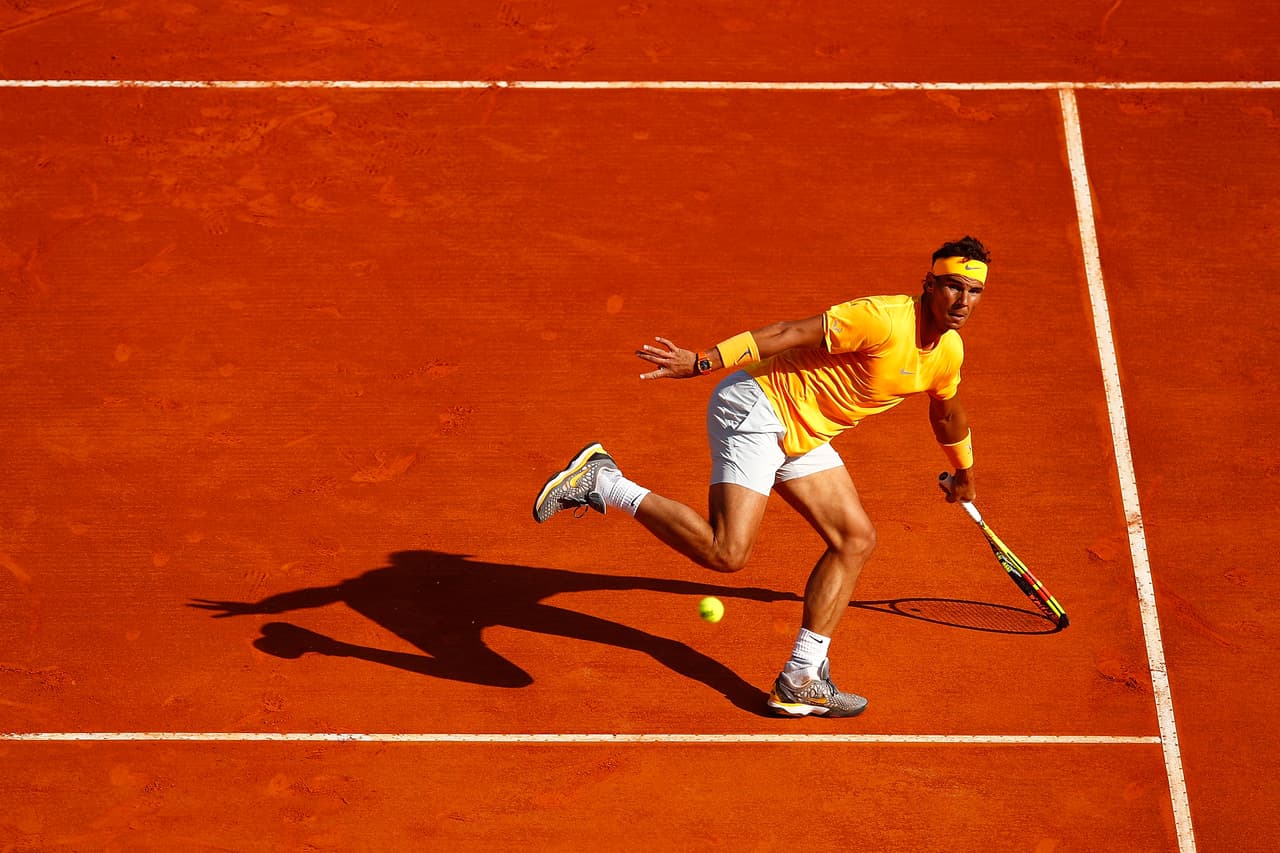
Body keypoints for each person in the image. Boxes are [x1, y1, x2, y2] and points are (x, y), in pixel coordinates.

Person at [533, 236, 989, 717]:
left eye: (973, 292)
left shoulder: (948, 352)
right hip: (758, 407)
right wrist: (702, 361)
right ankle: (604, 481)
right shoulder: (882, 318)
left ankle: (801, 677)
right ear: (929, 284)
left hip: (803, 434)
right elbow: (788, 332)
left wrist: (964, 473)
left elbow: (947, 413)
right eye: (953, 288)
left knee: (854, 539)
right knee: (726, 551)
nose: (962, 302)